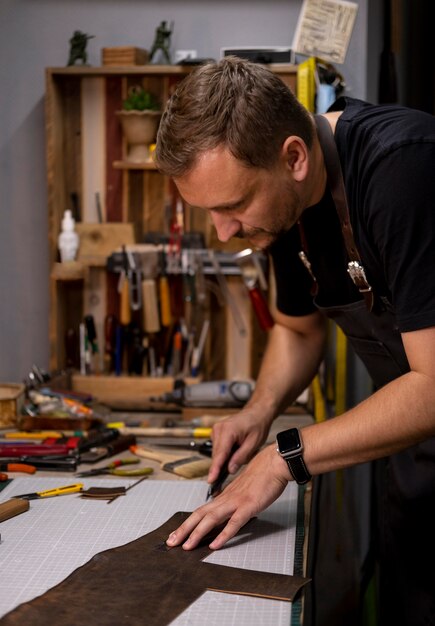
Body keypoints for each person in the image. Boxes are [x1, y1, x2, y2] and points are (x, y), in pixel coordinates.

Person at [154, 56, 435, 625]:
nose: (224, 232)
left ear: (294, 158)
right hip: (418, 464)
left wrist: (282, 458)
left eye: (232, 207)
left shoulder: (405, 170)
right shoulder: (280, 209)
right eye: (210, 212)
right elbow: (297, 327)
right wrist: (258, 414)